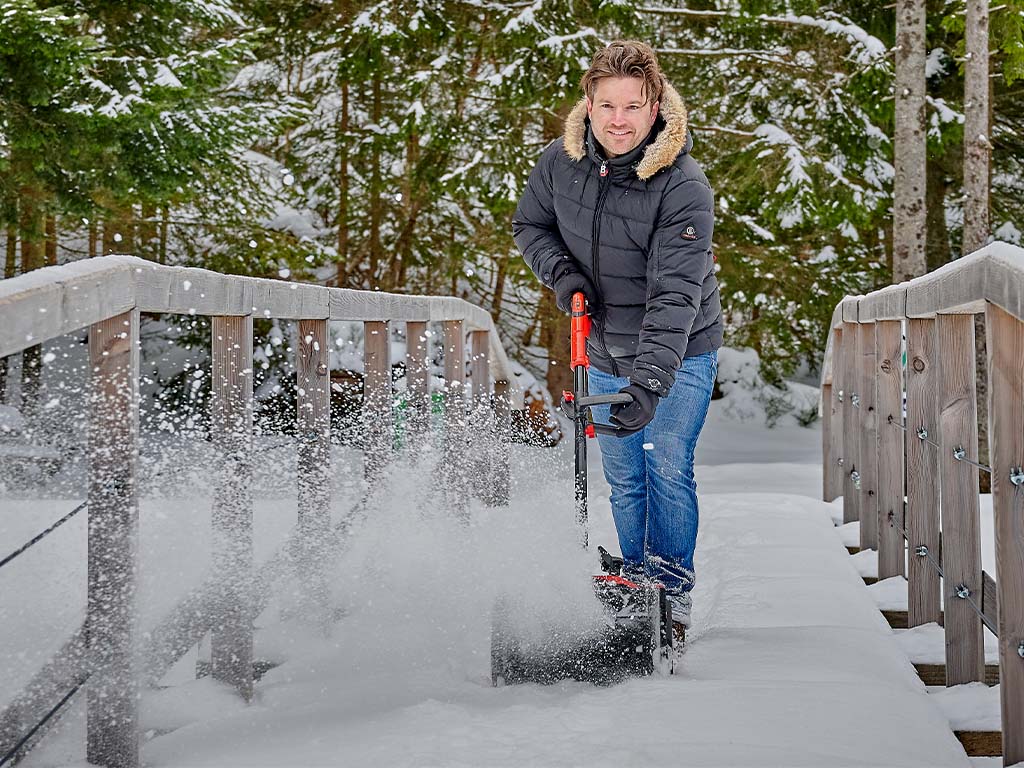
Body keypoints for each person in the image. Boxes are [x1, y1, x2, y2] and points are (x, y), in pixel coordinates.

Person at [512, 40, 722, 641]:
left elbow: (676, 294)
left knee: (666, 468)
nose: (619, 120)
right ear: (589, 103)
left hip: (679, 349)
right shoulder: (560, 161)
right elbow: (531, 224)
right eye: (607, 104)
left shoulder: (682, 184)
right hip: (601, 344)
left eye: (633, 105)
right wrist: (565, 277)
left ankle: (672, 594)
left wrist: (650, 382)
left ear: (655, 107)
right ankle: (637, 584)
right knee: (626, 473)